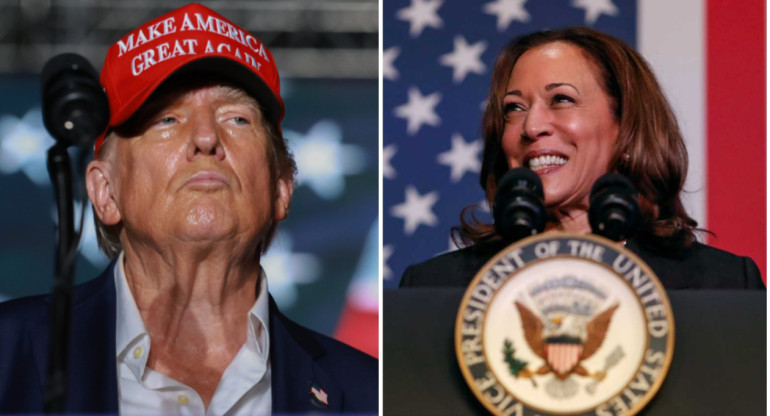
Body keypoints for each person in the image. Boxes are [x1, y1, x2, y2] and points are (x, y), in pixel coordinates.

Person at [0, 4, 377, 414]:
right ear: (104, 191)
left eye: (236, 118)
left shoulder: (369, 393)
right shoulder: (9, 354)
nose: (205, 137)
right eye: (165, 119)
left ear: (282, 186)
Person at [400, 27, 764, 290]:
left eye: (561, 99)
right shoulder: (436, 289)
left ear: (625, 126)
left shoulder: (723, 286)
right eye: (514, 108)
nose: (531, 126)